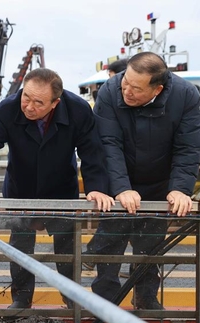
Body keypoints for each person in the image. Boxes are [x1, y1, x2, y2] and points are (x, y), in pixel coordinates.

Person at [0, 68, 114, 309]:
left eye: (38, 102)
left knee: (67, 248)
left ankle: (72, 300)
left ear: (55, 103)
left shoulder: (78, 110)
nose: (29, 107)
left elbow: (92, 151)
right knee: (20, 245)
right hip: (21, 188)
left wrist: (96, 188)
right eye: (26, 97)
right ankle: (21, 299)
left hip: (61, 188)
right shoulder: (9, 108)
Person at [91, 52, 200, 310]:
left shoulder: (186, 96)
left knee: (151, 242)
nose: (127, 91)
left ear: (158, 89)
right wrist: (121, 187)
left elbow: (189, 147)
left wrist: (179, 189)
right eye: (125, 82)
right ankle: (104, 300)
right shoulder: (110, 90)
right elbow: (108, 143)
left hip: (158, 181)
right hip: (119, 180)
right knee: (110, 239)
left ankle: (146, 297)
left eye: (136, 88)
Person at [83, 57, 129, 273]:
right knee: (114, 221)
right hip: (113, 171)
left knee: (116, 223)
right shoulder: (109, 98)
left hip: (127, 172)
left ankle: (91, 254)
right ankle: (93, 256)